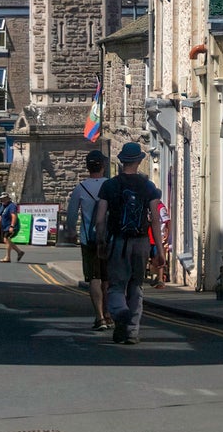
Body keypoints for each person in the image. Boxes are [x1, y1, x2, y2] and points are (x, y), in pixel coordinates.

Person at [93, 141, 161, 345]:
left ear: (121, 161)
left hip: (118, 242)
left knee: (116, 286)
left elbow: (100, 219)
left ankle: (119, 311)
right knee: (136, 286)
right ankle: (132, 331)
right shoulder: (148, 186)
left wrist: (101, 241)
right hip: (141, 242)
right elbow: (155, 219)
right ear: (139, 161)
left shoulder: (109, 185)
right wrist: (159, 250)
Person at [66, 150, 110, 331]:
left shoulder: (80, 188)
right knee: (107, 279)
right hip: (108, 238)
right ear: (103, 166)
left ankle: (99, 318)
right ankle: (109, 314)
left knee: (94, 278)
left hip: (88, 239)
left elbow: (71, 215)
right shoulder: (110, 185)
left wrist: (71, 232)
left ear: (87, 167)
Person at [0, 194, 25, 263]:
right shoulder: (2, 206)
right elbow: (0, 216)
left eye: (3, 198)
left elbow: (14, 216)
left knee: (6, 239)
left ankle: (8, 257)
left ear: (7, 198)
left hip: (12, 226)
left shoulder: (12, 206)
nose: (2, 200)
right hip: (5, 227)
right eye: (1, 199)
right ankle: (19, 252)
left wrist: (12, 226)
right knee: (6, 240)